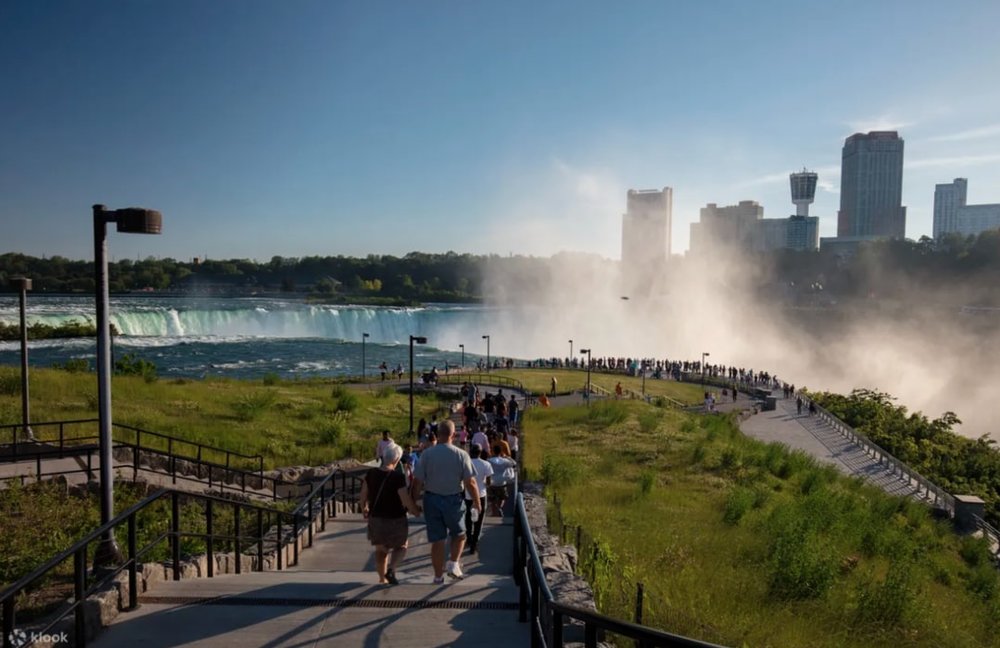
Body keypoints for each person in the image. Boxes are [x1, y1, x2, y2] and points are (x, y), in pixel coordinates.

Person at [411, 420, 481, 584]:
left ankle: (437, 576)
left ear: (438, 433)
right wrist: (477, 502)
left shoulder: (427, 454)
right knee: (460, 534)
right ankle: (453, 563)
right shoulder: (461, 454)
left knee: (438, 540)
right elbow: (470, 482)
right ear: (453, 435)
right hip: (453, 499)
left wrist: (413, 503)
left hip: (431, 498)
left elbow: (417, 482)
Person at [360, 442, 421, 585]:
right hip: (396, 519)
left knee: (381, 550)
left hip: (376, 518)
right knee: (401, 546)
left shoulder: (371, 474)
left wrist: (365, 508)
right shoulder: (397, 477)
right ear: (397, 460)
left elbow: (363, 496)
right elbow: (405, 500)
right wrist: (415, 511)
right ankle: (392, 569)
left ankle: (382, 579)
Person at [465, 444, 493, 554]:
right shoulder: (486, 464)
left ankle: (469, 537)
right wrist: (484, 483)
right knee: (479, 520)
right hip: (481, 494)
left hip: (468, 495)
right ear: (480, 452)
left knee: (467, 518)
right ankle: (475, 543)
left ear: (471, 452)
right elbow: (489, 482)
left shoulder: (466, 463)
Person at [486, 447, 517, 517]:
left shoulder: (489, 461)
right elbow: (514, 464)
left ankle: (494, 513)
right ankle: (499, 508)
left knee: (492, 500)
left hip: (492, 482)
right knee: (502, 498)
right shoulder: (505, 461)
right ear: (500, 452)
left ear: (493, 452)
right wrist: (507, 457)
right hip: (502, 482)